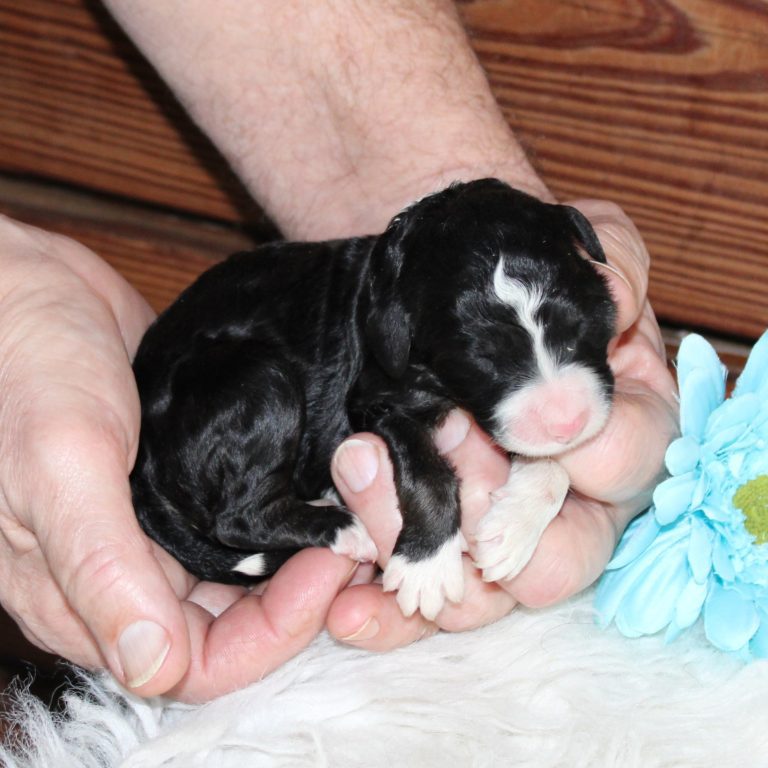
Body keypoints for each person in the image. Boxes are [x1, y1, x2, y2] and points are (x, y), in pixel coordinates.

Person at [0, 0, 678, 702]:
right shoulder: (400, 340)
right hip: (201, 399)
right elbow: (385, 409)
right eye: (491, 358)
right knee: (265, 400)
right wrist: (427, 528)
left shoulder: (436, 302)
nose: (562, 406)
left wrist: (544, 478)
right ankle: (262, 520)